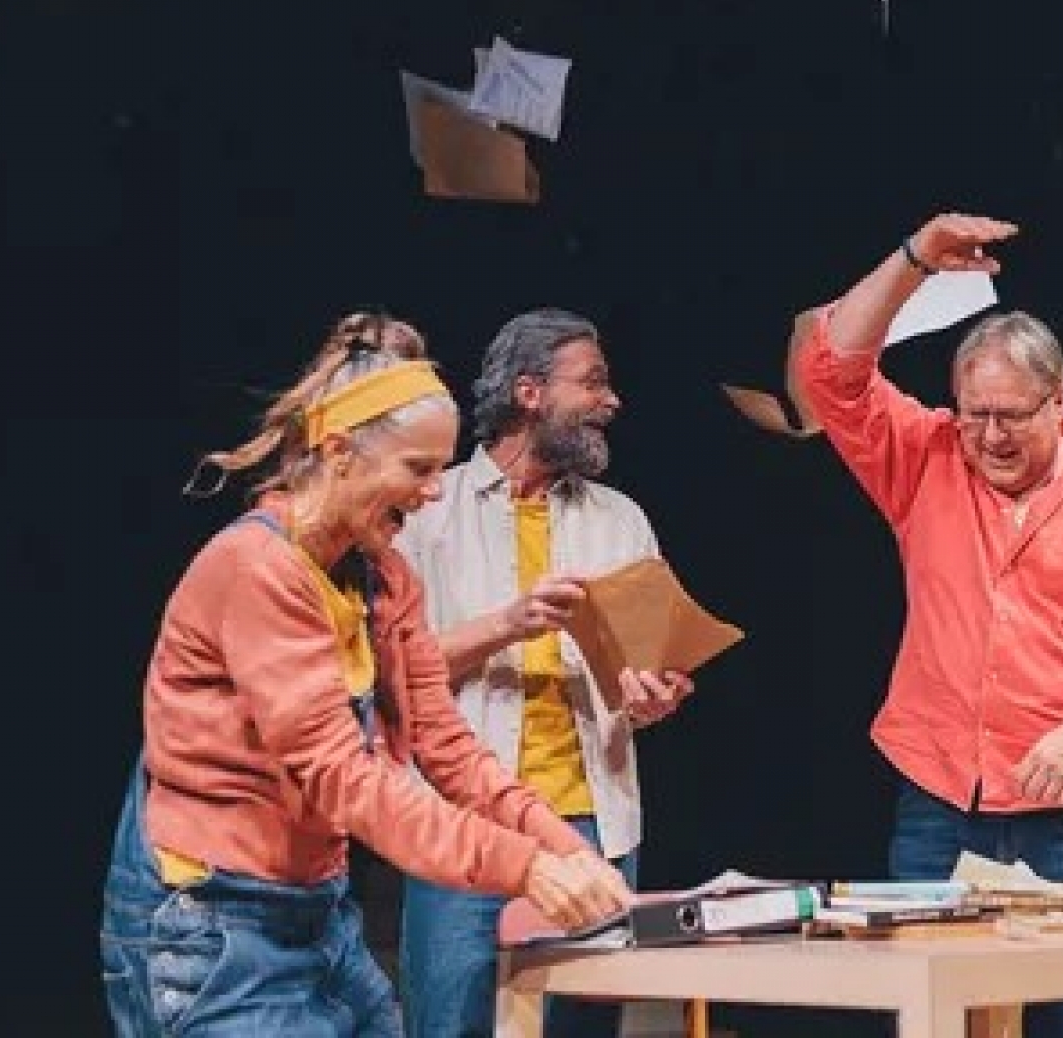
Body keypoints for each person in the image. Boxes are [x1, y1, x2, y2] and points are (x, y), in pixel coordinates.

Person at [98, 311, 632, 1038]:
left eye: (440, 470)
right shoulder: (256, 569)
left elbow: (447, 745)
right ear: (340, 453)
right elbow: (345, 778)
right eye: (418, 469)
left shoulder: (384, 577)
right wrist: (526, 867)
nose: (434, 492)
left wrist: (567, 849)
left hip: (317, 913)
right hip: (213, 922)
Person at [794, 214, 1063, 1038]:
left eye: (1010, 416)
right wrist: (915, 258)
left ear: (1059, 401)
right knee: (931, 1019)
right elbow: (830, 371)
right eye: (974, 415)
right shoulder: (926, 458)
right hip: (938, 802)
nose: (989, 438)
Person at [395, 307, 694, 1038]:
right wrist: (508, 623)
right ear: (529, 393)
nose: (611, 401)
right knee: (453, 1023)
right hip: (463, 820)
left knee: (579, 1028)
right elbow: (387, 670)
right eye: (592, 383)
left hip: (593, 824)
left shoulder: (621, 520)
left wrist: (654, 695)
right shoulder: (427, 514)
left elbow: (654, 665)